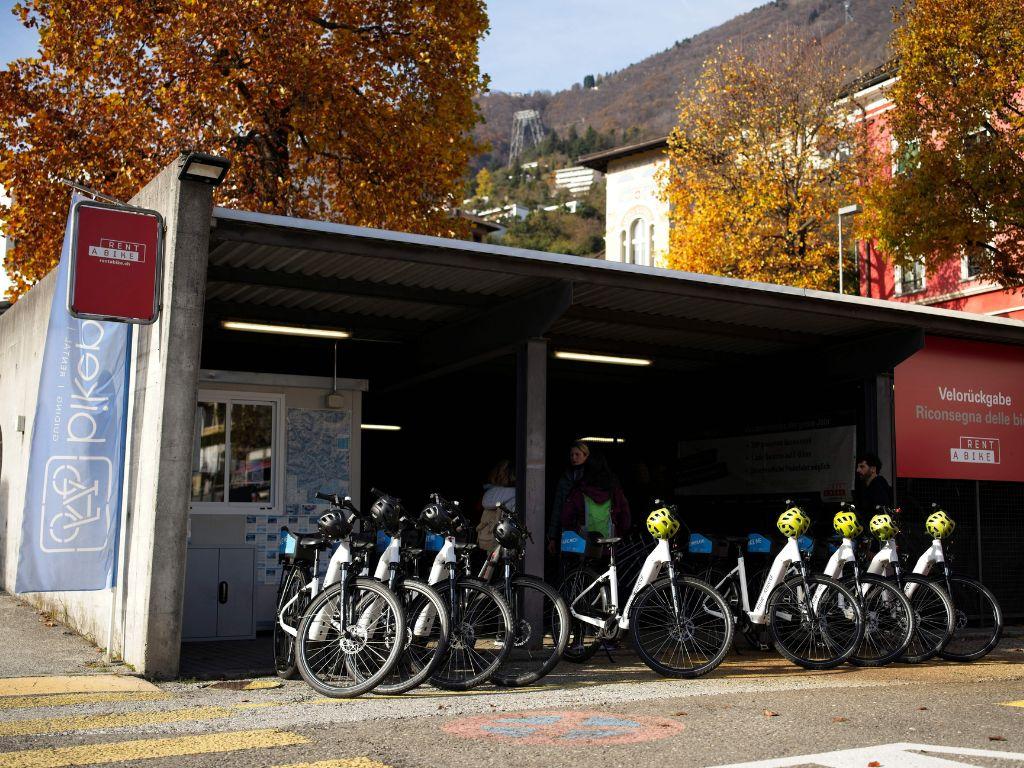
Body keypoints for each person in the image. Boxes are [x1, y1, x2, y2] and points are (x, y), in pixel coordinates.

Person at [561, 449, 631, 541]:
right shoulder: (615, 492)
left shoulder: (578, 492)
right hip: (608, 546)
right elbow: (625, 522)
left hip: (583, 547)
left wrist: (578, 531)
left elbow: (565, 519)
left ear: (586, 469)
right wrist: (617, 534)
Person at [546, 441, 590, 555]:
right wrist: (552, 537)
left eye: (577, 454)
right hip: (568, 528)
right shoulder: (565, 477)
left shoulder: (592, 477)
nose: (574, 458)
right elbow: (557, 507)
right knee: (568, 563)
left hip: (587, 527)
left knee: (585, 564)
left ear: (586, 456)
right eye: (572, 455)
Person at [477, 459, 516, 555]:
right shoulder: (516, 493)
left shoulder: (489, 493)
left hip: (489, 540)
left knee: (490, 567)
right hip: (508, 540)